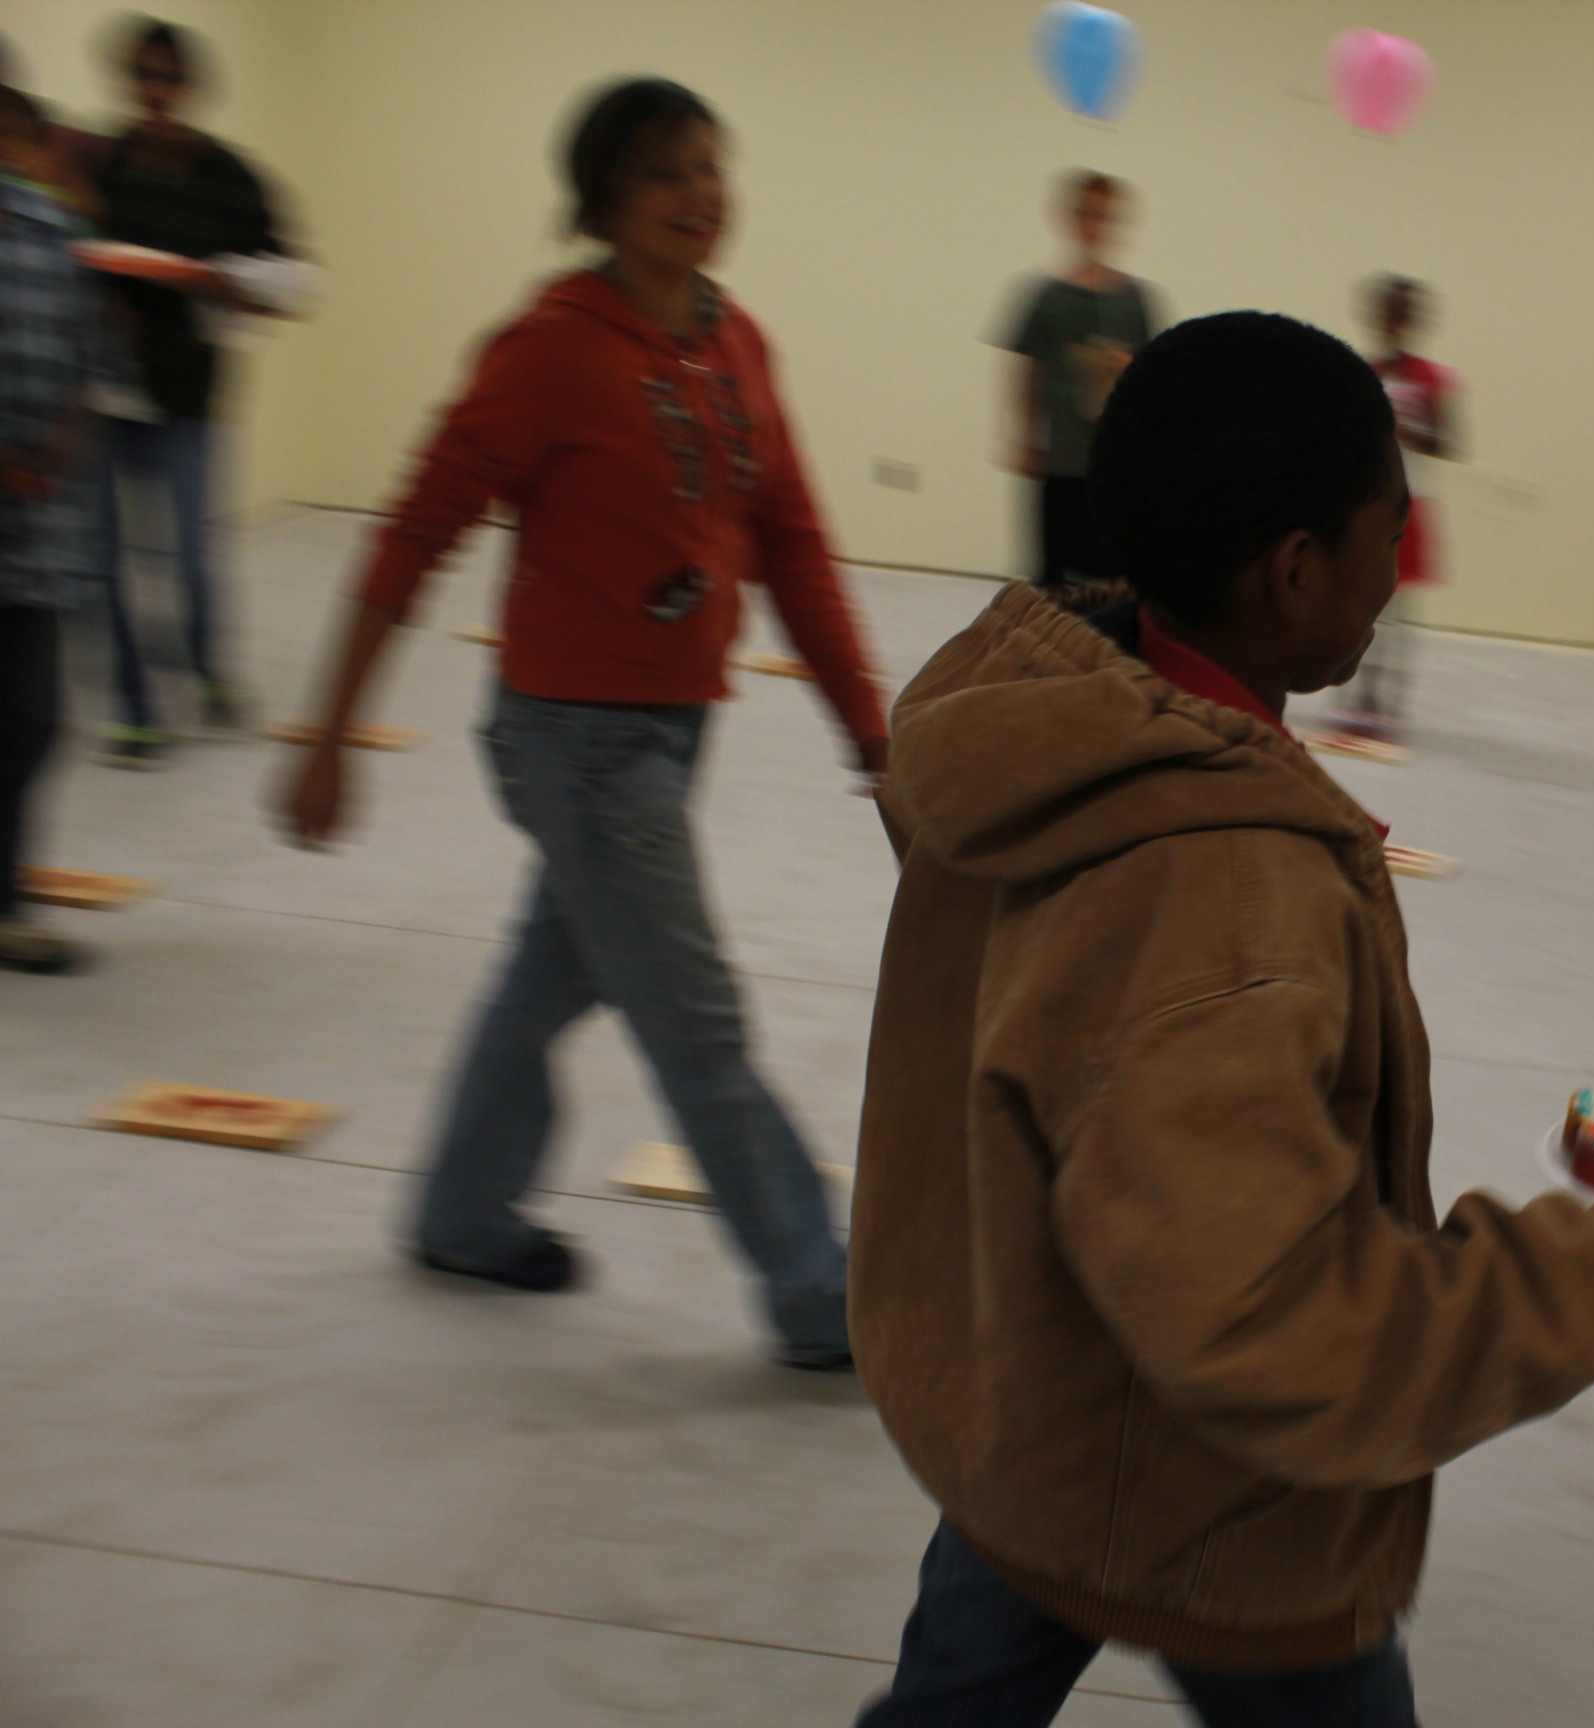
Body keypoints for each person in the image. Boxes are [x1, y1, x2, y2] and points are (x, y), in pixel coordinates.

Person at [850, 312, 1594, 1725]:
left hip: (1026, 1407)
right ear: (1293, 570)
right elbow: (1274, 1328)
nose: (1398, 571)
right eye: (1388, 535)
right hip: (1213, 1501)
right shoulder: (1225, 899)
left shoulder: (1046, 722)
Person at [276, 78, 885, 1370]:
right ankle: (821, 1295)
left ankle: (461, 1215)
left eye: (710, 166)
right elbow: (416, 529)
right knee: (695, 1020)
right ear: (604, 201)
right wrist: (327, 733)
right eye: (665, 172)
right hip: (578, 742)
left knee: (551, 970)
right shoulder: (552, 347)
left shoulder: (738, 343)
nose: (698, 194)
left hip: (671, 731)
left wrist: (871, 734)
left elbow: (793, 542)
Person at [89, 16, 296, 765]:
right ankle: (134, 710)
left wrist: (226, 285)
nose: (157, 92)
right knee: (105, 561)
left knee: (189, 559)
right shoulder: (102, 167)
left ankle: (207, 669)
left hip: (188, 397)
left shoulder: (229, 176)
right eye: (144, 76)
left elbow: (286, 276)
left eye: (170, 78)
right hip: (102, 395)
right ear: (128, 82)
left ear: (192, 87)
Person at [0, 82, 116, 975]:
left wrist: (56, 448)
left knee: (32, 720)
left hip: (34, 526)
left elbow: (92, 362)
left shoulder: (53, 235)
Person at [991, 170, 1161, 593]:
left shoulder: (1135, 300)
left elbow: (1157, 377)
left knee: (1112, 577)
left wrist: (1129, 367)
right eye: (1086, 214)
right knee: (1051, 576)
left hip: (1113, 461)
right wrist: (1025, 439)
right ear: (1069, 219)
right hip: (1060, 457)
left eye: (1104, 216)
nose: (1095, 225)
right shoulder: (1046, 296)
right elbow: (1028, 370)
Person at [1326, 274, 1456, 747]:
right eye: (1386, 313)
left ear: (1413, 320)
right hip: (1365, 502)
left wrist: (1407, 429)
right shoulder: (1362, 372)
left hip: (1408, 505)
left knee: (1395, 614)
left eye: (1401, 314)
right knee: (1356, 605)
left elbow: (1448, 443)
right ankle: (1356, 698)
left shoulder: (1432, 379)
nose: (1393, 323)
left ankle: (1388, 703)